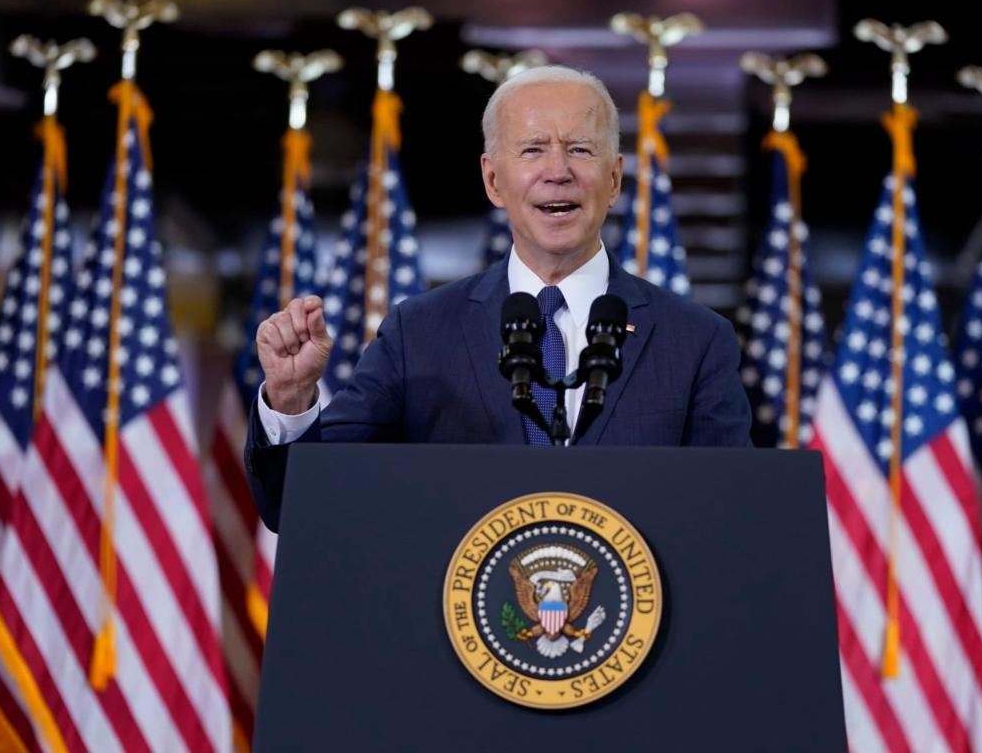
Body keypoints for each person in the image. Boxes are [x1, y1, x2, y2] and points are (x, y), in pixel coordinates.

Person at [246, 66, 751, 531]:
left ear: (615, 178)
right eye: (532, 149)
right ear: (493, 179)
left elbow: (732, 516)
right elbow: (301, 505)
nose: (558, 170)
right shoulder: (419, 334)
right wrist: (291, 401)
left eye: (580, 149)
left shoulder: (696, 340)